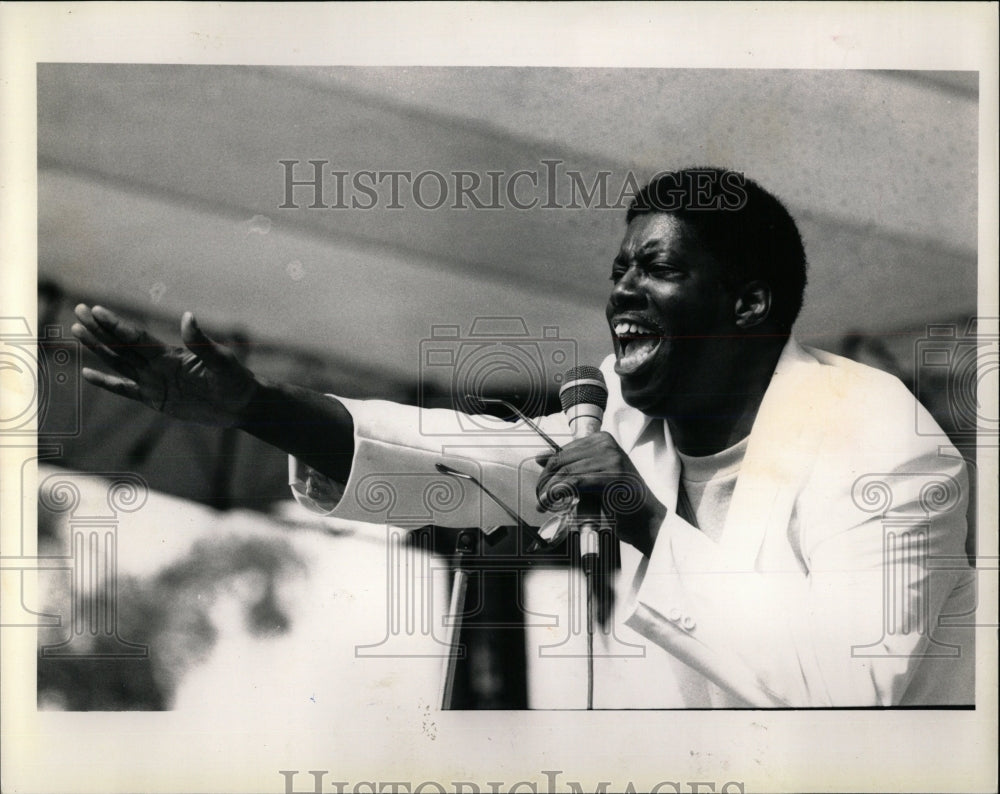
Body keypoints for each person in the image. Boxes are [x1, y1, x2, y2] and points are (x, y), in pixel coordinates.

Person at [71, 167, 974, 708]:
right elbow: (474, 463)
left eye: (657, 268)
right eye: (618, 269)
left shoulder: (881, 441)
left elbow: (851, 688)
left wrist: (647, 522)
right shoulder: (625, 411)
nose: (621, 291)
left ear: (748, 304)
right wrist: (256, 410)